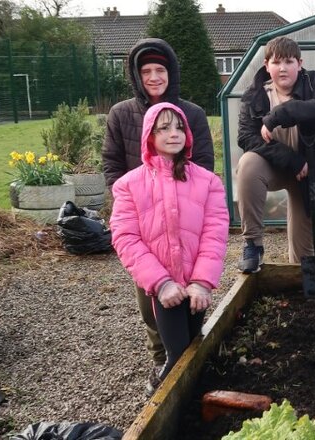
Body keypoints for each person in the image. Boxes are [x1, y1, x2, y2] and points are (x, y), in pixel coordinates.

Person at [102, 38, 215, 395]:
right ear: (136, 76)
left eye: (160, 70)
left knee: (191, 304)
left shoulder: (192, 114)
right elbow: (112, 164)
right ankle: (163, 358)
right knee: (154, 298)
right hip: (145, 222)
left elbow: (206, 168)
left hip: (186, 216)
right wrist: (131, 200)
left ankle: (187, 359)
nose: (153, 77)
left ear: (171, 73)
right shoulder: (121, 114)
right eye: (146, 71)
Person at [110, 102, 229, 394]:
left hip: (195, 288)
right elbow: (125, 236)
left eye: (178, 127)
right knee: (175, 353)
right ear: (149, 135)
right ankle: (166, 402)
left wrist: (202, 282)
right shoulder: (129, 185)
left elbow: (214, 235)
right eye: (163, 128)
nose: (173, 133)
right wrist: (161, 283)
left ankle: (192, 398)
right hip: (164, 290)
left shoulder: (208, 182)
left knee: (192, 346)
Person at [236, 36, 315, 273]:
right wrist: (291, 159)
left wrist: (278, 115)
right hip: (275, 167)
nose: (283, 68)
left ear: (299, 64)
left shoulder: (314, 83)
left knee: (304, 254)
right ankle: (253, 244)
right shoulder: (254, 95)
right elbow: (246, 138)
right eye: (277, 62)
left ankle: (304, 289)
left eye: (289, 61)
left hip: (307, 172)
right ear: (266, 65)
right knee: (247, 164)